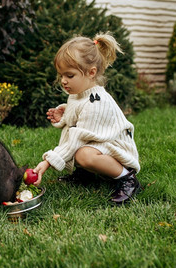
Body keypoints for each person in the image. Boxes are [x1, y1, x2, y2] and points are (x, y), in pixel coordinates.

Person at [33, 32, 141, 204]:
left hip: (118, 151)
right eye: (61, 75)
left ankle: (127, 178)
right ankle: (86, 174)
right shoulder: (80, 94)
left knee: (83, 154)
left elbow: (77, 137)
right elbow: (79, 116)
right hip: (101, 144)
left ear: (91, 72)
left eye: (70, 75)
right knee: (81, 150)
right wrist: (64, 114)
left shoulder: (97, 101)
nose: (63, 81)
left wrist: (47, 162)